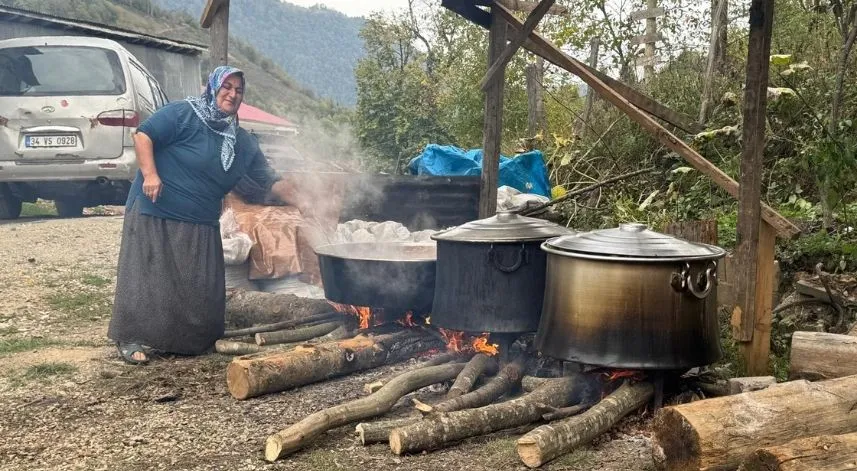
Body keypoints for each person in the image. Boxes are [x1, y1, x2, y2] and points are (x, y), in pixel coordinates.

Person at [108, 65, 293, 364]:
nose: (232, 95)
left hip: (201, 220)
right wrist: (151, 174)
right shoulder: (184, 114)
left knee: (197, 287)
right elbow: (143, 136)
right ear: (213, 87)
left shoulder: (243, 142)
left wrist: (306, 199)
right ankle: (131, 337)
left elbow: (269, 178)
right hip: (158, 206)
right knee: (148, 274)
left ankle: (182, 340)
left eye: (239, 90)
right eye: (227, 87)